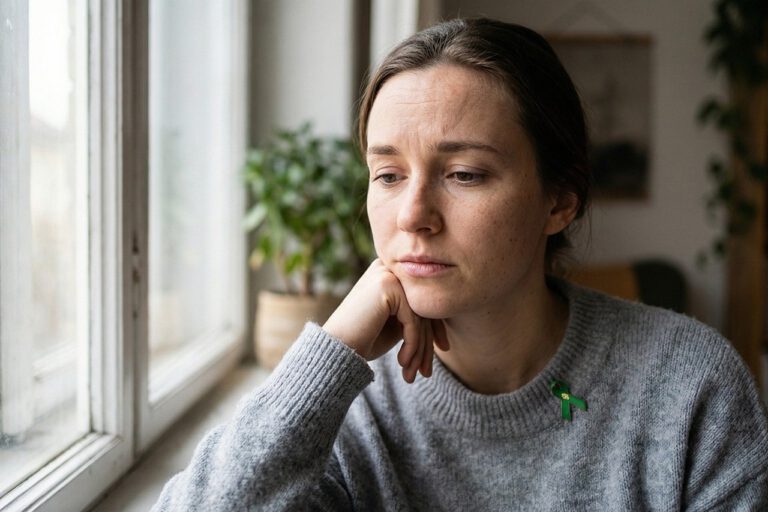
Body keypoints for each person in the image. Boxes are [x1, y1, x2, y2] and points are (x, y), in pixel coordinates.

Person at [152, 18, 768, 511]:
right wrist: (332, 350)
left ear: (558, 199)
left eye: (465, 174)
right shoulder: (342, 412)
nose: (413, 214)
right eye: (388, 175)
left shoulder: (692, 388)